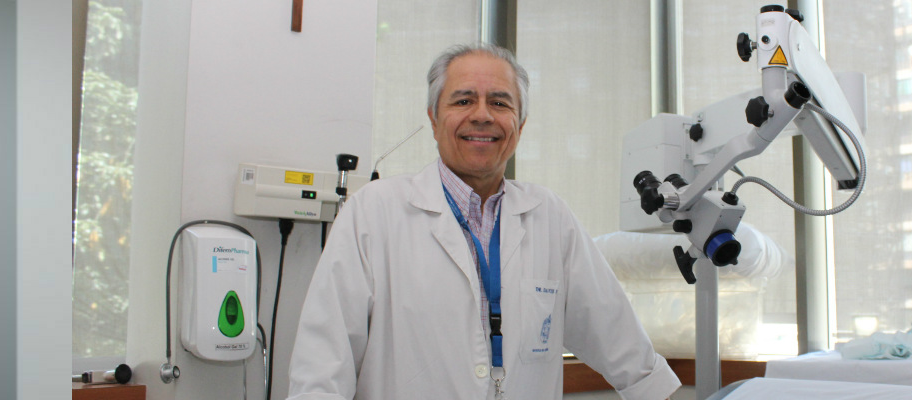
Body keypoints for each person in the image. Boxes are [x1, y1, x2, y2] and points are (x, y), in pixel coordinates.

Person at [285, 43, 680, 400]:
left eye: (500, 103)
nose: (482, 115)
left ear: (520, 125)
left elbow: (620, 340)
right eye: (463, 100)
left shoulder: (550, 217)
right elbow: (322, 370)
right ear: (434, 119)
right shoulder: (372, 213)